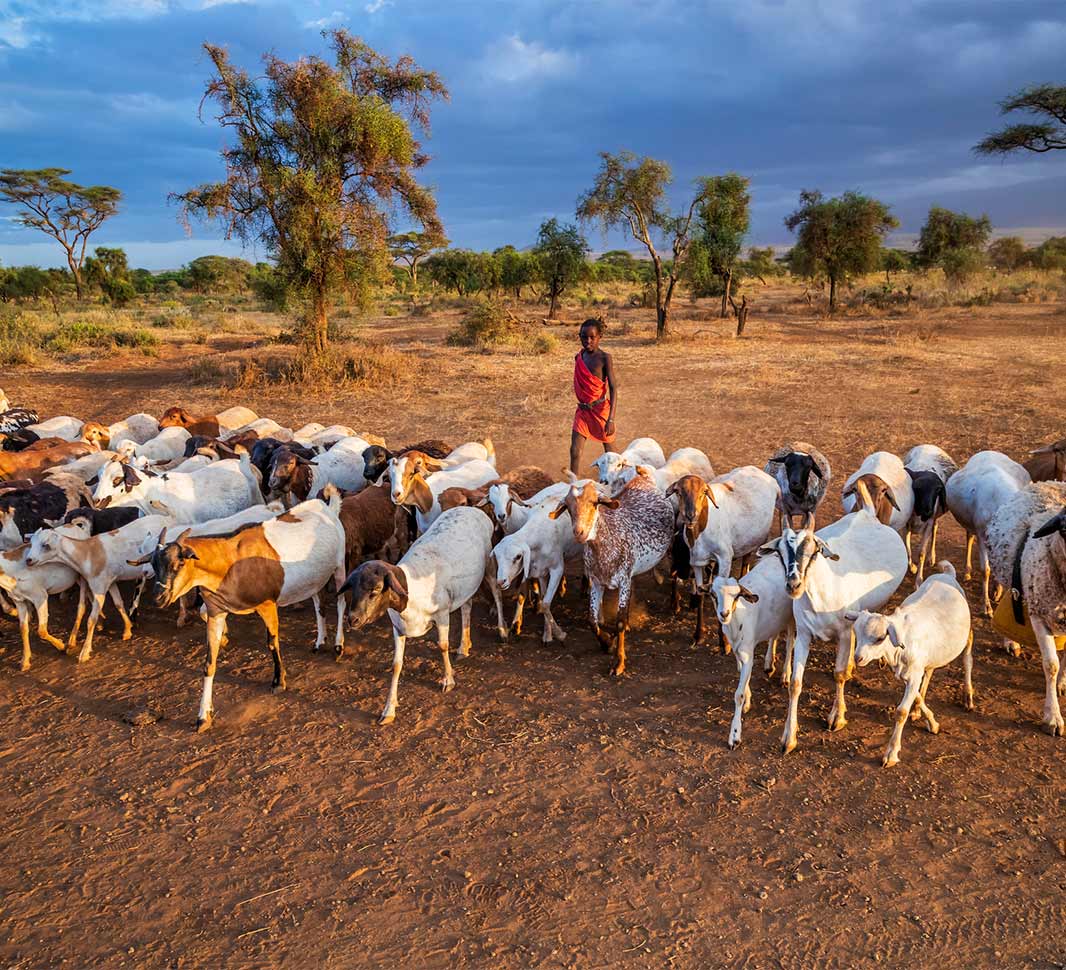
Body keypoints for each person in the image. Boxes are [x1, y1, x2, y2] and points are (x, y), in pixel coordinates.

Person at [570, 318, 617, 474]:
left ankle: (618, 481)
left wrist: (611, 419)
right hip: (583, 411)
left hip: (601, 410)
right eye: (584, 337)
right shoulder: (579, 357)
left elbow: (613, 388)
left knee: (611, 454)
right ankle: (573, 486)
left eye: (592, 337)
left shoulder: (605, 358)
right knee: (575, 451)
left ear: (599, 337)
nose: (588, 341)